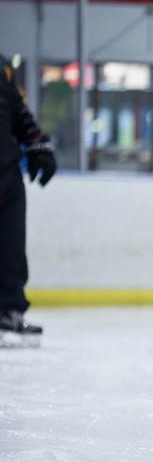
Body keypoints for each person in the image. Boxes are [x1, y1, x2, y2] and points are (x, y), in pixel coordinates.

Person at [0, 53, 57, 347]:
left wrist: (37, 145)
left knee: (10, 246)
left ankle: (8, 311)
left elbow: (17, 109)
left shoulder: (2, 67)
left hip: (6, 172)